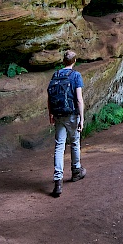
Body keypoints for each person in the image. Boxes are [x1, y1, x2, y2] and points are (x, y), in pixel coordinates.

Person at [48, 49, 86, 198]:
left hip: (58, 114)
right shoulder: (76, 76)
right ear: (74, 61)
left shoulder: (56, 75)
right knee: (75, 142)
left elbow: (49, 96)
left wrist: (51, 114)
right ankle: (76, 171)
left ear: (63, 61)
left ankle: (58, 180)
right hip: (71, 114)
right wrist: (81, 118)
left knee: (59, 146)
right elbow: (79, 99)